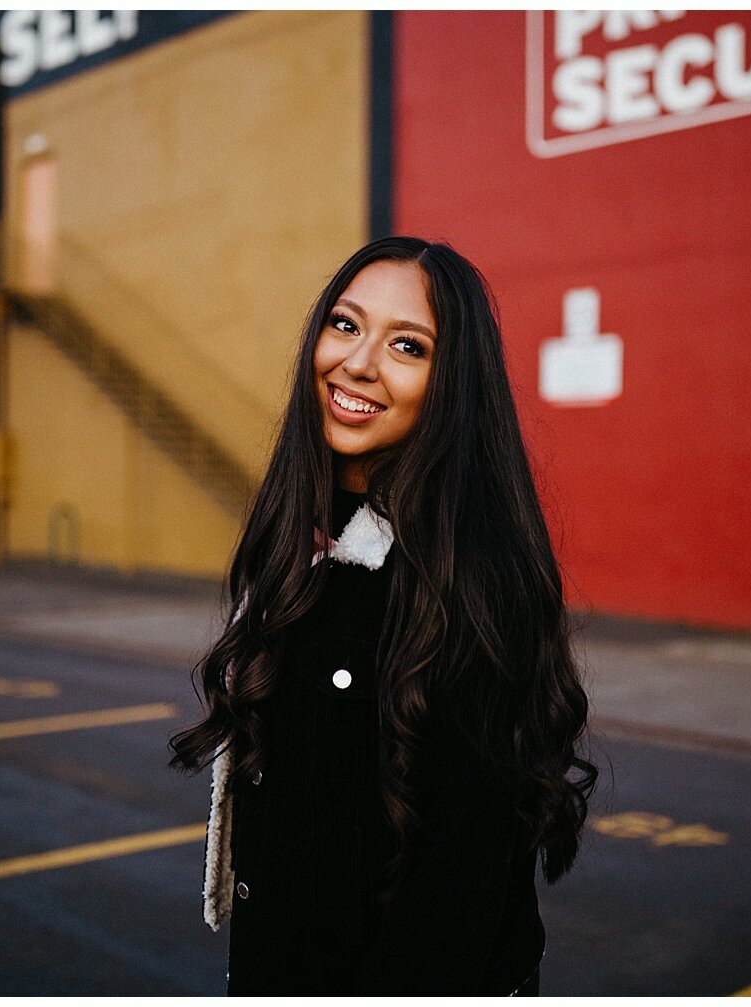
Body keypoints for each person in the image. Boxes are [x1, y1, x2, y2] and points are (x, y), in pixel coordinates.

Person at [169, 236, 596, 995]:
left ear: (452, 384)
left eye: (407, 344)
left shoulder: (473, 582)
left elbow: (453, 907)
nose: (358, 362)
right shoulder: (301, 548)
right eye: (344, 324)